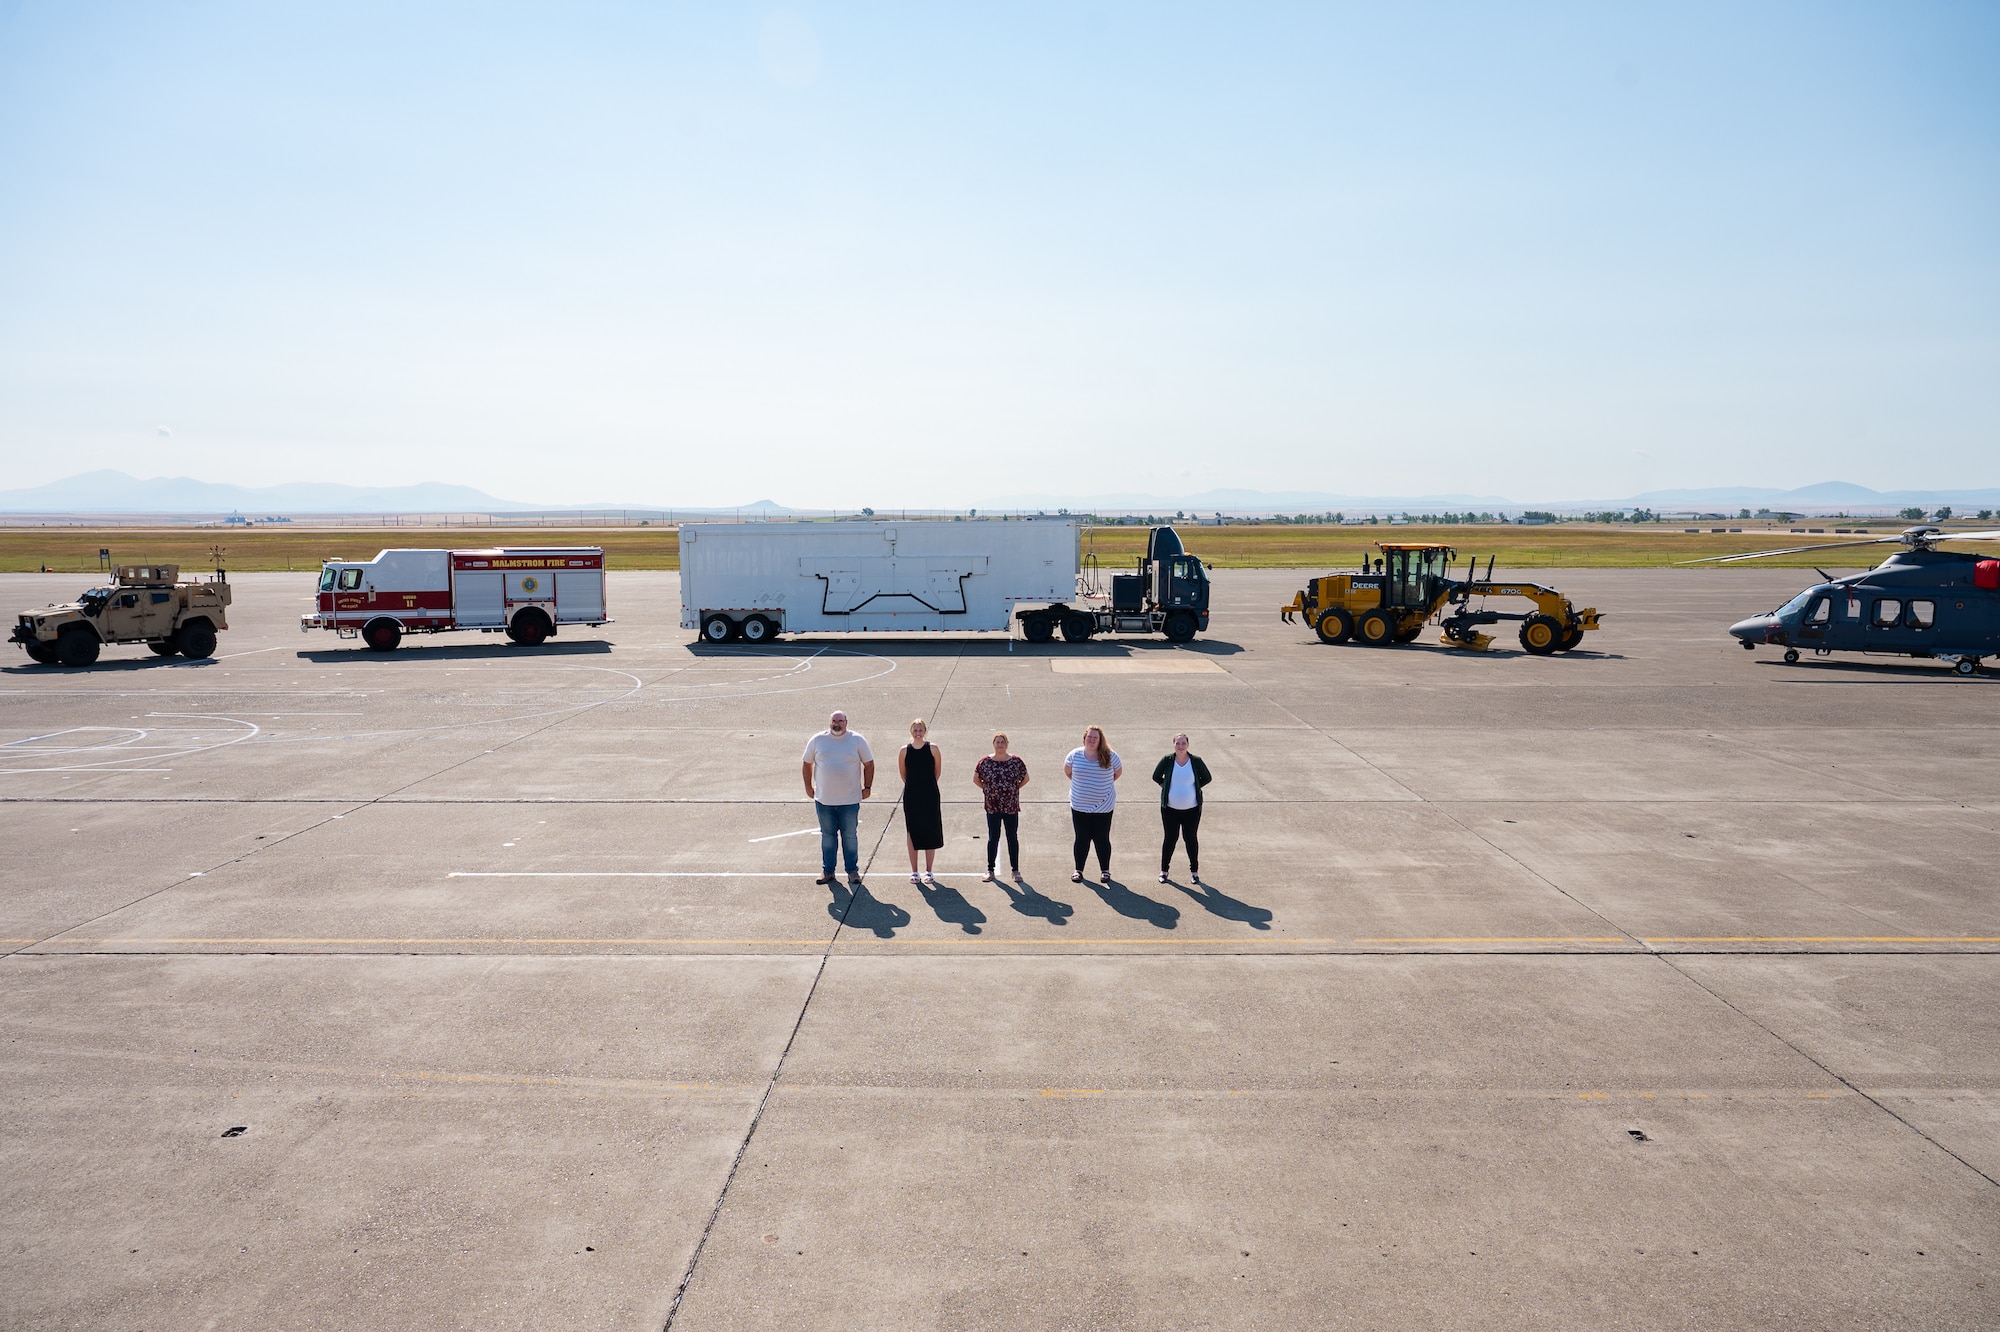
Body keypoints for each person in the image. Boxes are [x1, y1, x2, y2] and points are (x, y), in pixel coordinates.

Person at [802, 710, 873, 886]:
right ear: (830, 722)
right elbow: (806, 763)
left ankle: (852, 871)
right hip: (824, 801)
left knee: (849, 836)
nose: (837, 724)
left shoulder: (857, 740)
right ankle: (828, 871)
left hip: (849, 801)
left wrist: (868, 787)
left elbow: (869, 763)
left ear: (846, 723)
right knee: (827, 836)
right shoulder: (818, 740)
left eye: (840, 721)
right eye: (834, 721)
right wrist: (808, 787)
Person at [1151, 732, 1213, 883]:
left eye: (1183, 743)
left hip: (1192, 810)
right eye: (1177, 743)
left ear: (1188, 745)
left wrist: (1195, 787)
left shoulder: (1196, 761)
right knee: (1170, 839)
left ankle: (1194, 872)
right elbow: (1156, 776)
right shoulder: (1167, 760)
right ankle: (1164, 871)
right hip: (1170, 810)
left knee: (1190, 838)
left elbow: (1207, 777)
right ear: (1173, 745)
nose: (1180, 746)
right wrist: (1165, 786)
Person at [1064, 724, 1121, 883]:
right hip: (1079, 806)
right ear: (1084, 739)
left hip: (1104, 807)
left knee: (1102, 839)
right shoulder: (1074, 755)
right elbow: (1068, 771)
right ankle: (1078, 870)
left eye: (1095, 737)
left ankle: (1105, 871)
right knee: (1081, 838)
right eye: (1089, 737)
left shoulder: (1111, 756)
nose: (1092, 740)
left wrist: (1102, 787)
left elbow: (1118, 772)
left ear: (1100, 740)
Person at [972, 733, 1029, 883]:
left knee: (1012, 837)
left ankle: (1015, 870)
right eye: (997, 742)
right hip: (992, 806)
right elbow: (976, 779)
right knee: (993, 838)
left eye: (1002, 742)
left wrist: (1015, 789)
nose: (1000, 744)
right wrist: (987, 790)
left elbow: (1026, 778)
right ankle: (990, 870)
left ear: (1007, 744)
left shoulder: (1016, 762)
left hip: (1010, 806)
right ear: (993, 744)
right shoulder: (985, 762)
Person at [900, 718, 945, 885]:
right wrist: (915, 787)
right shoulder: (904, 750)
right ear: (911, 731)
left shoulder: (933, 749)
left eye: (920, 730)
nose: (918, 733)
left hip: (930, 795)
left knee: (930, 830)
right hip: (912, 796)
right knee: (912, 831)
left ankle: (929, 871)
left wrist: (927, 787)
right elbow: (903, 774)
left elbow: (937, 771)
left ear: (924, 731)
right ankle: (914, 871)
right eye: (915, 730)